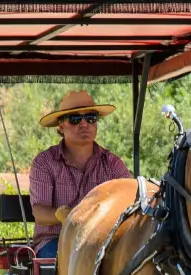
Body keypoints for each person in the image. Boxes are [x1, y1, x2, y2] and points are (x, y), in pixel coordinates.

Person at [30, 90, 132, 258]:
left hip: (102, 240)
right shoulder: (45, 162)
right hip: (56, 240)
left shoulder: (112, 163)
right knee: (61, 260)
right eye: (75, 119)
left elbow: (130, 199)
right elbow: (39, 212)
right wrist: (64, 215)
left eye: (91, 118)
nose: (84, 124)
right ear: (61, 126)